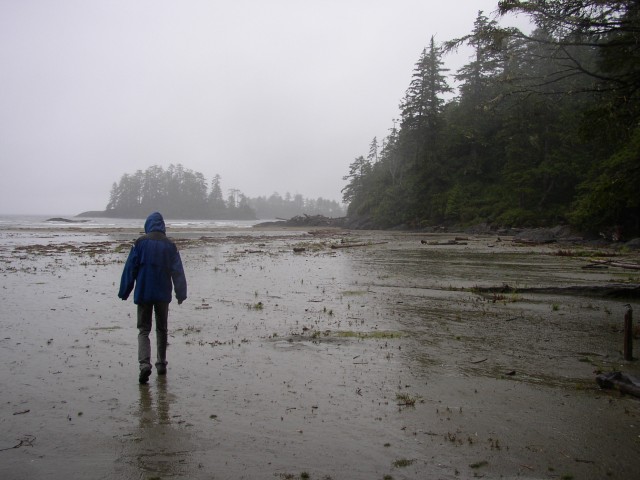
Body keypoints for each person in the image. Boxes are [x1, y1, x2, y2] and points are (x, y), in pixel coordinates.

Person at [118, 212, 187, 384]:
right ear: (162, 226)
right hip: (162, 294)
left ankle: (144, 365)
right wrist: (181, 293)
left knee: (143, 330)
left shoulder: (140, 244)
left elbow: (130, 269)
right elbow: (177, 271)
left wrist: (124, 291)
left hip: (144, 292)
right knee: (161, 329)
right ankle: (161, 364)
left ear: (148, 225)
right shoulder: (169, 246)